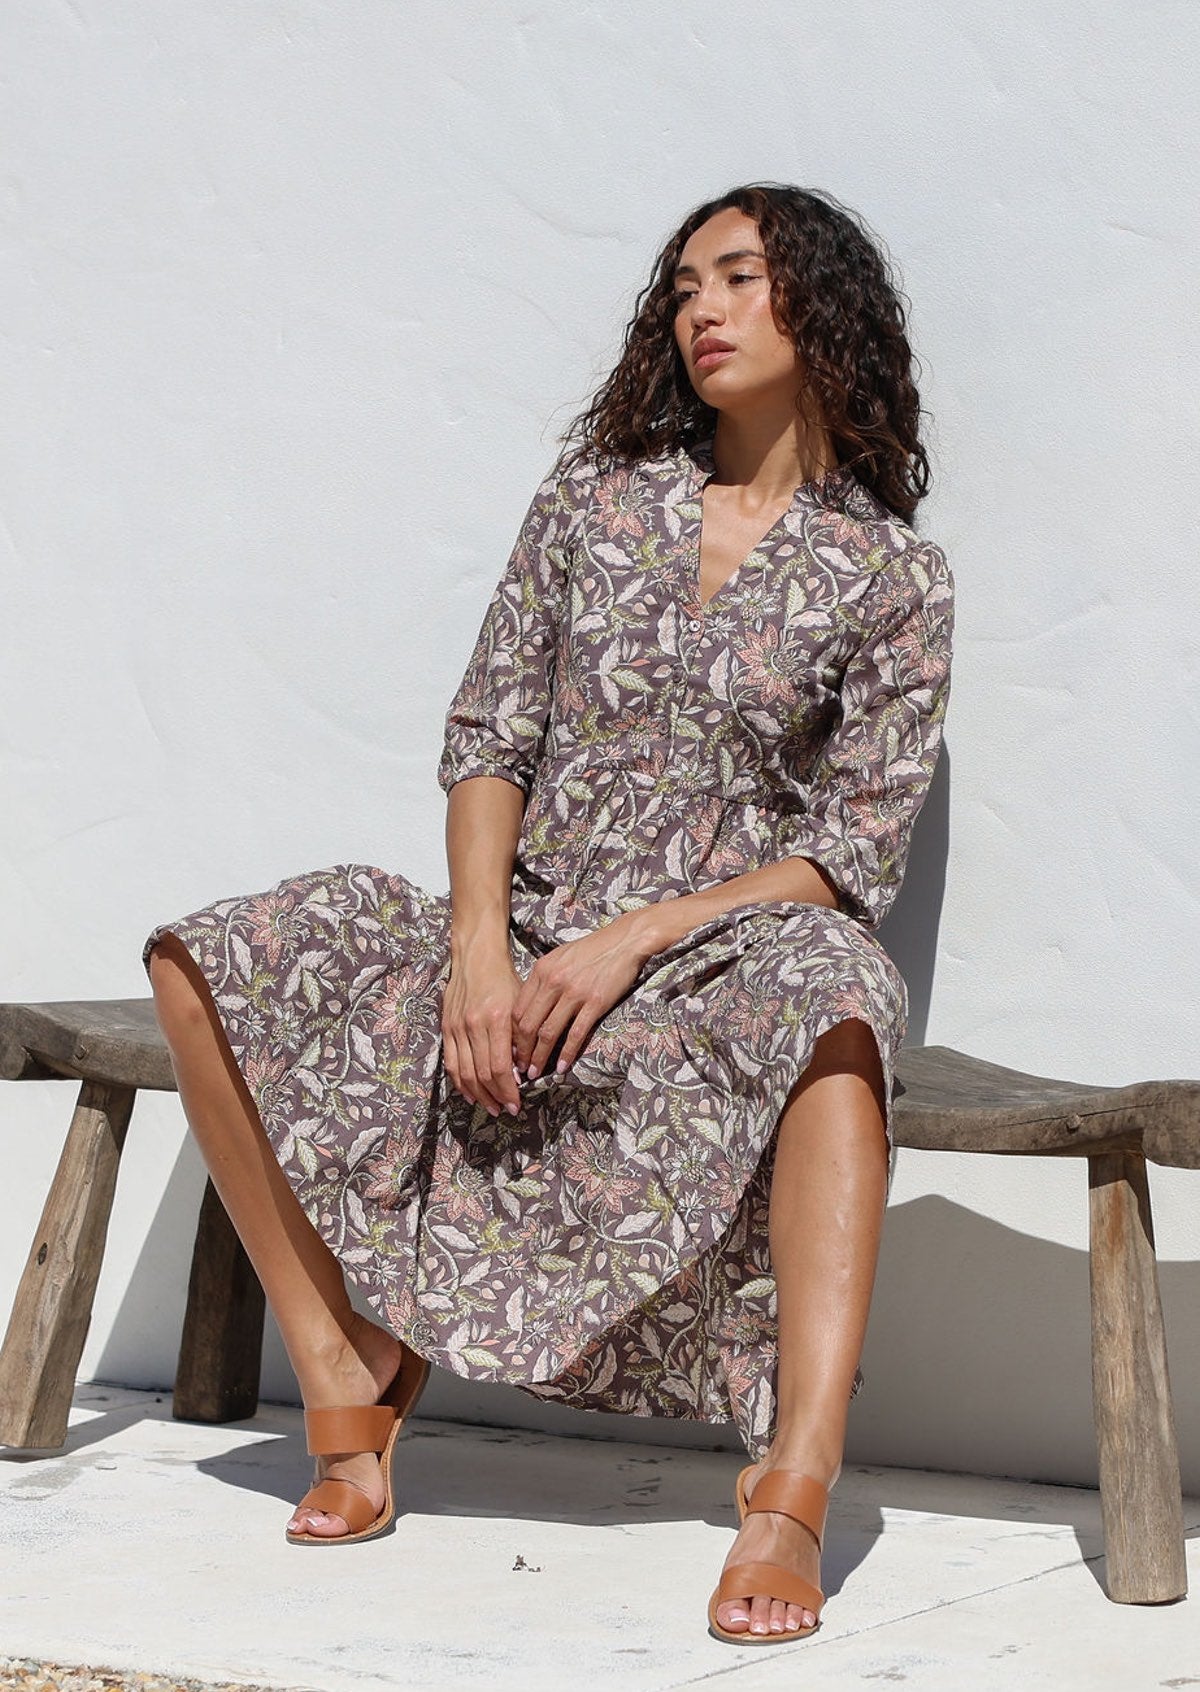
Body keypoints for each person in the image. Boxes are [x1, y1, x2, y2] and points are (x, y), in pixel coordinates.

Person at [144, 180, 954, 1647]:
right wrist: (478, 947)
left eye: (740, 277)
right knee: (218, 954)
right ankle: (345, 1381)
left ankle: (793, 1486)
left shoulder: (893, 574)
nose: (703, 311)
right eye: (684, 289)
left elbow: (850, 853)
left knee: (838, 997)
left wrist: (637, 938)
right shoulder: (595, 504)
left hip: (724, 950)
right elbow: (490, 735)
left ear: (824, 306)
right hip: (522, 919)